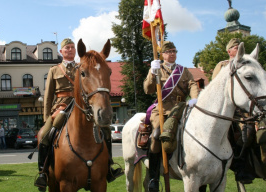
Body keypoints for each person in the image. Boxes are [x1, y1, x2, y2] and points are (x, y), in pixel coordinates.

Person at [34, 38, 123, 189]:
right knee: (44, 133)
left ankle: (109, 167)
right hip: (61, 106)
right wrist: (47, 116)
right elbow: (48, 95)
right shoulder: (54, 70)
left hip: (82, 105)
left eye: (72, 47)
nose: (69, 50)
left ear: (75, 51)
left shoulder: (82, 66)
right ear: (61, 52)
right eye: (66, 48)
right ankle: (43, 172)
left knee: (106, 130)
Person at [143, 41, 199, 192]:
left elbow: (192, 84)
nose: (172, 53)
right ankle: (154, 176)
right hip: (162, 110)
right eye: (169, 51)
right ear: (163, 54)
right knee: (156, 135)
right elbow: (147, 90)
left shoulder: (183, 70)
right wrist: (151, 73)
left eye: (174, 51)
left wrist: (194, 97)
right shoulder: (157, 69)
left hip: (182, 109)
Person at [212, 38, 256, 184]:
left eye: (238, 47)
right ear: (229, 51)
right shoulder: (222, 65)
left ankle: (244, 166)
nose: (238, 49)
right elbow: (215, 87)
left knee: (249, 133)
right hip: (225, 109)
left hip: (241, 110)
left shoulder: (245, 65)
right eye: (235, 47)